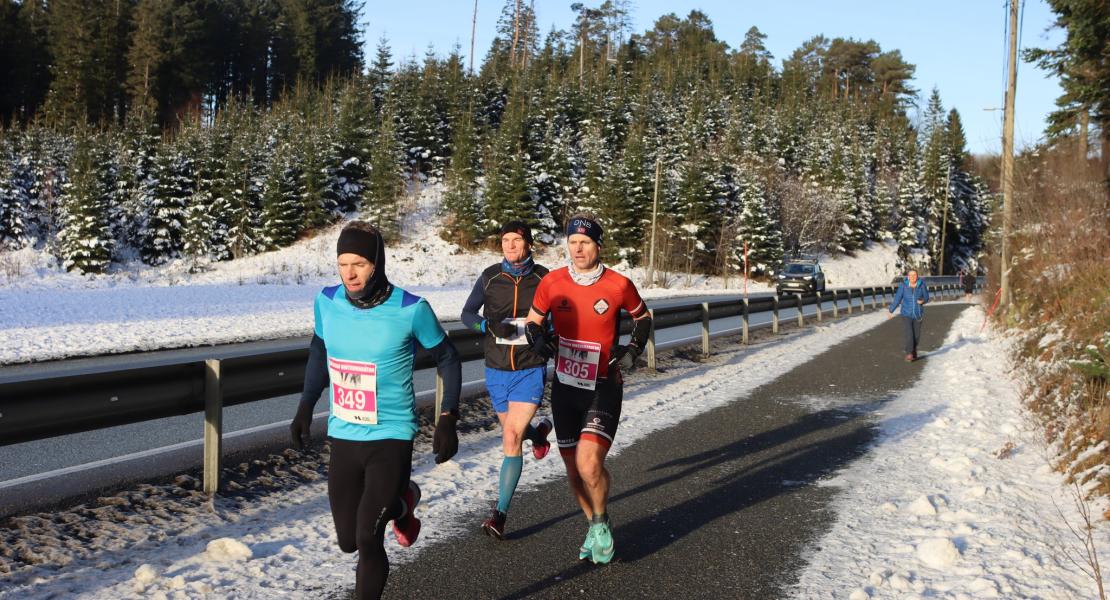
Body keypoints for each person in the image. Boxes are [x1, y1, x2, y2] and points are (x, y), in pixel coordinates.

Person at [289, 221, 462, 600]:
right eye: (343, 264)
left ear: (377, 263)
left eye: (360, 264)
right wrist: (305, 405)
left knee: (369, 538)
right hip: (345, 435)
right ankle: (405, 501)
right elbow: (319, 351)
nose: (350, 273)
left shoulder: (410, 309)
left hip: (391, 436)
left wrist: (447, 417)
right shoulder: (326, 301)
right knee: (348, 540)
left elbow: (448, 358)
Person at [524, 213, 652, 565]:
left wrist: (633, 350)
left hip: (603, 385)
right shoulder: (552, 282)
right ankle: (597, 523)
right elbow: (533, 322)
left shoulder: (618, 284)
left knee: (589, 464)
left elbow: (644, 318)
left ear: (598, 245)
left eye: (585, 242)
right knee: (572, 471)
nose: (578, 249)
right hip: (566, 386)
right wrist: (537, 340)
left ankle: (598, 522)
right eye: (573, 242)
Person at [460, 221, 553, 540]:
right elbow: (467, 315)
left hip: (530, 367)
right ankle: (539, 435)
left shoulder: (544, 277)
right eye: (505, 240)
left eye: (517, 240)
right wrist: (487, 327)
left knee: (511, 437)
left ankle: (499, 514)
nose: (510, 245)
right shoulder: (489, 277)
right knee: (513, 430)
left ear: (528, 244)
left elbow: (560, 318)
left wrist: (546, 339)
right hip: (497, 368)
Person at [887, 268, 930, 361]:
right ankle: (909, 353)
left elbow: (927, 297)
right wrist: (891, 310)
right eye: (910, 275)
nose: (912, 277)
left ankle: (913, 349)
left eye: (914, 275)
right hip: (906, 313)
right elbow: (897, 298)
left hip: (918, 314)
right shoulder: (903, 286)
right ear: (908, 277)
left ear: (917, 276)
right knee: (909, 333)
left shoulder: (922, 285)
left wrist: (922, 301)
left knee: (916, 335)